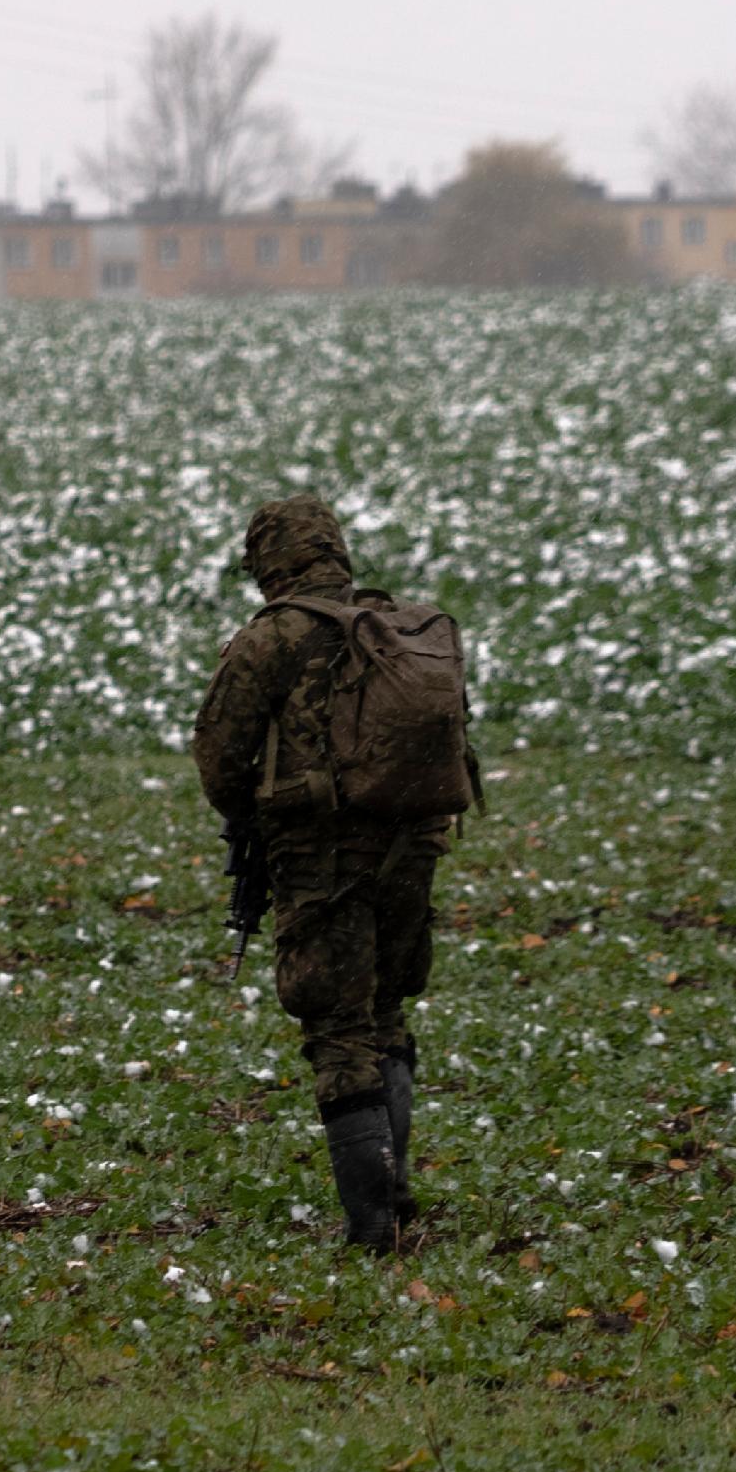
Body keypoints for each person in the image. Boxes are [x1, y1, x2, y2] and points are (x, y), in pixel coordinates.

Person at [190, 496, 472, 1251]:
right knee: (385, 1014)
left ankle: (372, 1228)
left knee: (338, 1029)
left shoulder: (272, 639)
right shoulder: (400, 627)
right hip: (413, 847)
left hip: (322, 859)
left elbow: (219, 760)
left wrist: (262, 814)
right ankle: (398, 1196)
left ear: (269, 563)